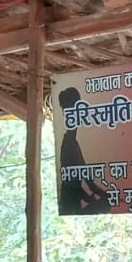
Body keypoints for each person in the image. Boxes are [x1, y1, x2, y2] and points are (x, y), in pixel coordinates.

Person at [55, 86, 114, 215]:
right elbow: (71, 186)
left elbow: (88, 183)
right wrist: (100, 197)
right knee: (105, 205)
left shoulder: (73, 142)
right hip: (70, 208)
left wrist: (105, 196)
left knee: (105, 204)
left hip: (74, 207)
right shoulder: (68, 144)